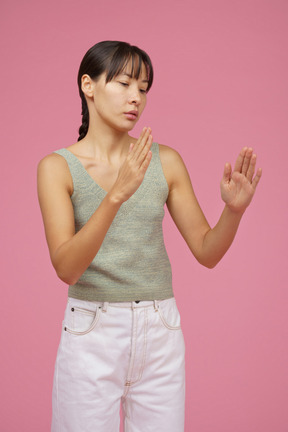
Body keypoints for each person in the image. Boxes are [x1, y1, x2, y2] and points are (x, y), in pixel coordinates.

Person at [37, 41, 262, 432]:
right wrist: (116, 195)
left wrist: (234, 211)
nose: (135, 98)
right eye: (124, 83)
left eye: (143, 88)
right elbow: (67, 269)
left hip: (160, 329)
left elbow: (207, 252)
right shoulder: (57, 168)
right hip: (92, 331)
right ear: (88, 86)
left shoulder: (166, 161)